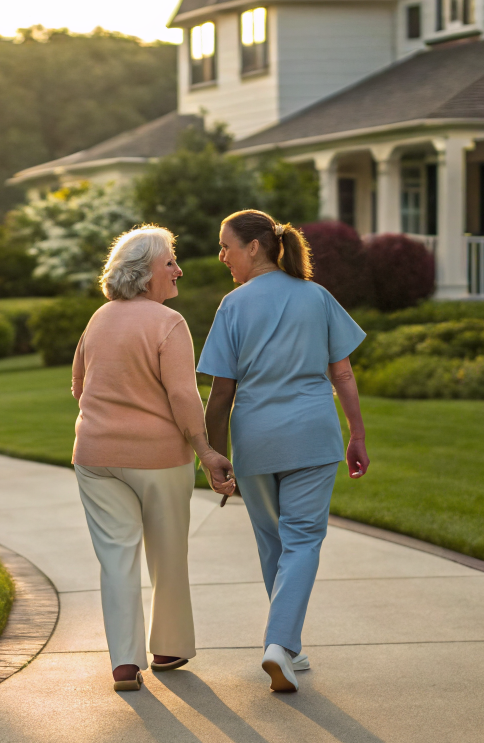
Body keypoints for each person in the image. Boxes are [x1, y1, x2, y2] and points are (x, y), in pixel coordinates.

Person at [198, 209, 369, 693]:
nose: (221, 255)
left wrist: (213, 456)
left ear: (254, 247)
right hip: (313, 435)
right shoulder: (317, 297)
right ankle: (281, 644)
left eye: (226, 245)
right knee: (302, 541)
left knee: (274, 542)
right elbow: (344, 375)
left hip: (257, 438)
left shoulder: (232, 305)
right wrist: (356, 435)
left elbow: (221, 394)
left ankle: (286, 643)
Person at [72, 226, 235, 692]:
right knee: (167, 553)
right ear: (145, 274)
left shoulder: (98, 318)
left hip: (95, 457)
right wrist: (206, 451)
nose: (178, 270)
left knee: (116, 559)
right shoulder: (169, 322)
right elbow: (184, 395)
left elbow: (79, 387)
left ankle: (125, 664)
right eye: (170, 263)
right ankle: (167, 647)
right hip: (160, 459)